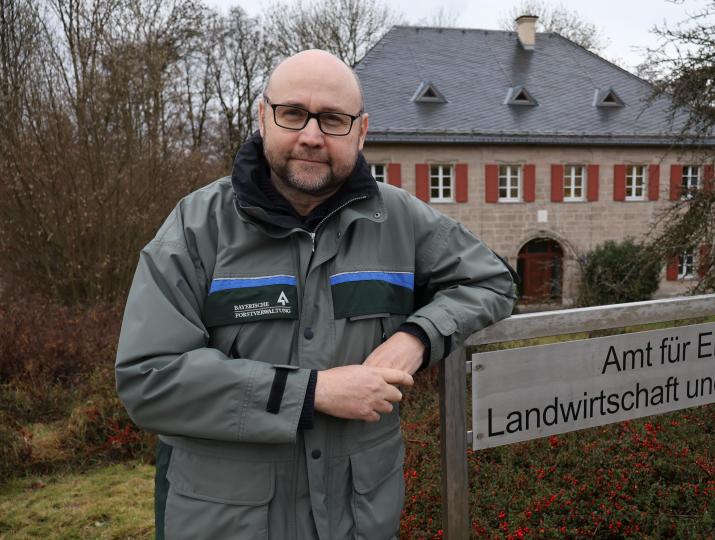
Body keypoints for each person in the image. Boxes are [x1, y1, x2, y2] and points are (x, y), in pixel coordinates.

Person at [115, 49, 516, 540]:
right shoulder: (196, 227)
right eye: (293, 114)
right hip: (227, 522)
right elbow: (148, 379)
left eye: (332, 119)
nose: (311, 135)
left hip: (358, 519)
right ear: (263, 117)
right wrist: (312, 392)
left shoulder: (399, 219)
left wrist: (417, 337)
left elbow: (492, 279)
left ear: (362, 132)